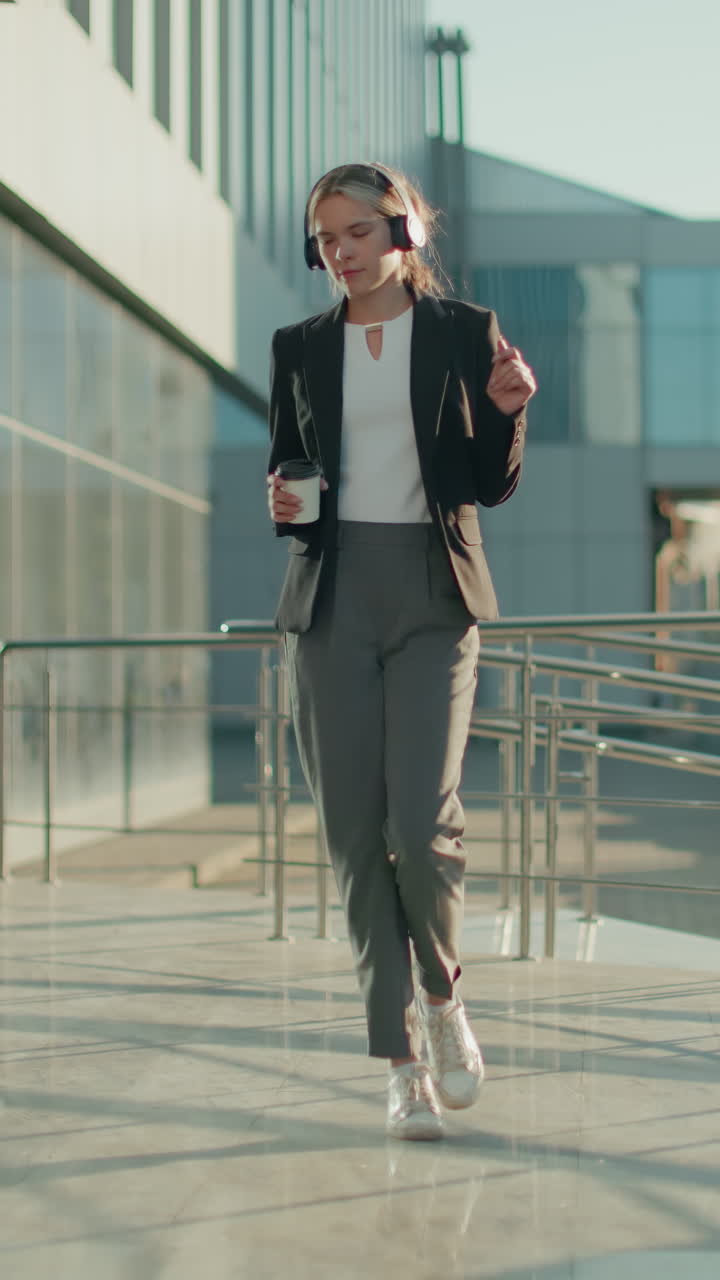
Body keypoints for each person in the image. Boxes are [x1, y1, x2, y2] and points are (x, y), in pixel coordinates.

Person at [266, 161, 536, 1140]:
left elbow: (483, 485)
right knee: (354, 835)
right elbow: (290, 476)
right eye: (323, 239)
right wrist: (285, 500)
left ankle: (443, 994)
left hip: (433, 593)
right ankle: (398, 1064)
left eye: (354, 233)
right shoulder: (299, 347)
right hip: (335, 600)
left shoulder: (465, 334)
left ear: (405, 233)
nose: (338, 253)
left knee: (420, 828)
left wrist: (509, 414)